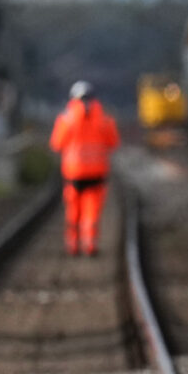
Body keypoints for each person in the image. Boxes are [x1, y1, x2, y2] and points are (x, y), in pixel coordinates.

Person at [48, 81, 121, 256]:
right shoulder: (104, 119)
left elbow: (56, 144)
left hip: (73, 174)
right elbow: (113, 143)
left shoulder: (66, 119)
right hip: (96, 173)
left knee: (74, 210)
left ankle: (73, 244)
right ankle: (90, 244)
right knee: (92, 211)